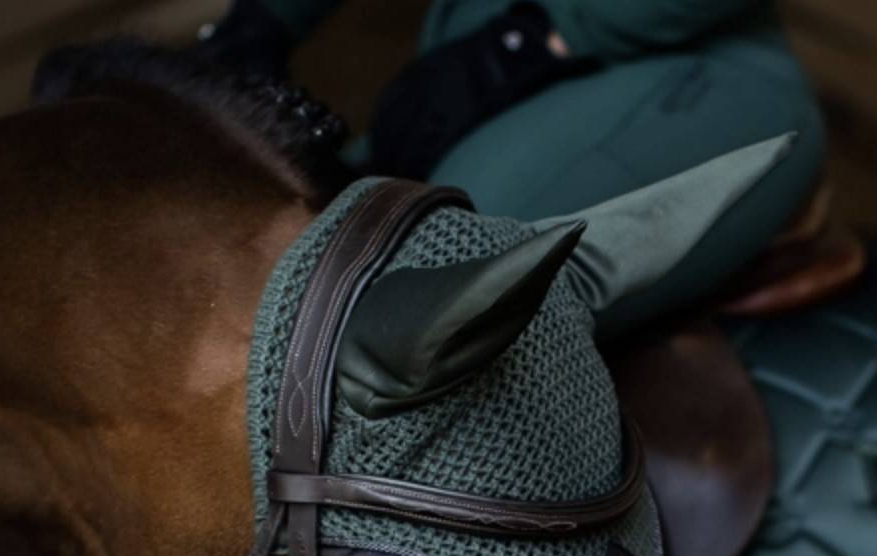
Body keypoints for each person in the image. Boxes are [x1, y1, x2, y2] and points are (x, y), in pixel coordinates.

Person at [198, 0, 826, 336]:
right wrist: (262, 21)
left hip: (689, 64)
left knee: (427, 296)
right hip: (498, 52)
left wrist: (529, 42)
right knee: (272, 245)